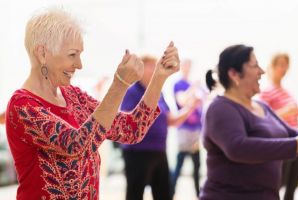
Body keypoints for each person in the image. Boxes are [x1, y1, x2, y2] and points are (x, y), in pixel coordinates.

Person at [5, 8, 180, 200]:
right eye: (72, 55)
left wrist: (159, 77)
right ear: (42, 53)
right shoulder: (22, 105)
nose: (79, 64)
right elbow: (77, 145)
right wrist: (119, 84)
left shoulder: (74, 96)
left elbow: (131, 130)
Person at [201, 44, 298, 200]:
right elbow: (238, 148)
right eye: (255, 66)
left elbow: (292, 134)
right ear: (234, 74)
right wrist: (295, 145)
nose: (262, 71)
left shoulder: (262, 106)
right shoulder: (220, 108)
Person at [121, 55, 199, 200]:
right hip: (137, 152)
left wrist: (190, 106)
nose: (155, 70)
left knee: (165, 194)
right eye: (151, 66)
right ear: (140, 69)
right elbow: (126, 122)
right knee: (135, 194)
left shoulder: (159, 93)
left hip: (159, 151)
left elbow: (171, 121)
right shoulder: (131, 91)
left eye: (155, 66)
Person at [260, 53, 298, 200]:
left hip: (295, 141)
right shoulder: (266, 92)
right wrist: (286, 111)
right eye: (280, 65)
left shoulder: (287, 92)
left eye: (286, 65)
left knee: (292, 184)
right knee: (278, 183)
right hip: (282, 142)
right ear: (272, 67)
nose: (284, 68)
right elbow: (262, 118)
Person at [171, 59, 204, 198]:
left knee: (197, 165)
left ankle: (198, 194)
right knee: (180, 163)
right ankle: (170, 192)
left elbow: (201, 103)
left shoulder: (194, 85)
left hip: (196, 130)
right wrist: (193, 89)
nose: (187, 68)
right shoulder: (179, 84)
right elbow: (182, 100)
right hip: (184, 129)